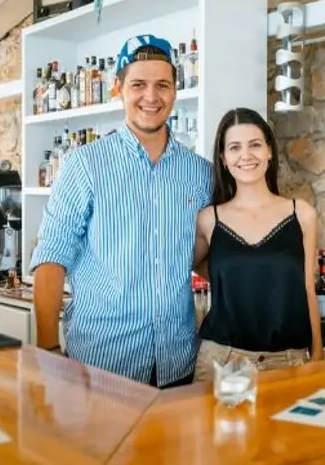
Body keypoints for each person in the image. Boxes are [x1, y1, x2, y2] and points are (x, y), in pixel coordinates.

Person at [30, 34, 212, 389]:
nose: (151, 97)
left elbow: (201, 256)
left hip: (179, 363)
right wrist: (48, 347)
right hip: (102, 364)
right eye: (138, 85)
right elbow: (52, 257)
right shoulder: (85, 165)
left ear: (175, 91)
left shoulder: (200, 172)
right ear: (118, 88)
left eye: (162, 85)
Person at [192, 107, 324, 382]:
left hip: (289, 362)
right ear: (224, 159)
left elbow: (307, 288)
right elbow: (192, 266)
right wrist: (240, 278)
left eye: (254, 145)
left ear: (269, 151)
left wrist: (318, 355)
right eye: (235, 148)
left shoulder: (302, 214)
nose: (246, 156)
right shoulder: (208, 219)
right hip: (221, 361)